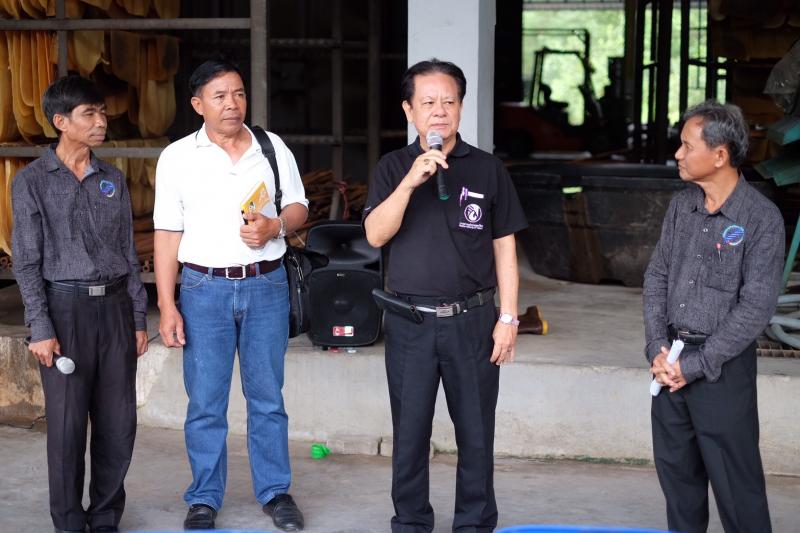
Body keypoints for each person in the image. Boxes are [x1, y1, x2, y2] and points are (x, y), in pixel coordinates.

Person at [363, 59, 528, 533]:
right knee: (410, 433)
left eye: (449, 102)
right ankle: (411, 522)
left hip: (473, 321)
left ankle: (474, 524)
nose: (440, 111)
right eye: (429, 102)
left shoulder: (488, 169)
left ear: (461, 107)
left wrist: (509, 318)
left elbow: (504, 246)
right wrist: (410, 182)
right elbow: (375, 235)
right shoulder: (392, 167)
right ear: (409, 110)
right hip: (410, 323)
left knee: (476, 433)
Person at [153, 58, 308, 532]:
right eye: (219, 96)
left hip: (266, 285)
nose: (232, 104)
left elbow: (298, 206)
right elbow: (167, 233)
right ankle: (204, 498)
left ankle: (275, 492)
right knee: (205, 401)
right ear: (197, 104)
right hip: (204, 289)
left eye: (238, 93)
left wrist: (276, 226)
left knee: (267, 397)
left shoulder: (270, 146)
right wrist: (167, 304)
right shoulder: (178, 157)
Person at [12, 75, 149, 533]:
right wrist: (40, 327)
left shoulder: (112, 179)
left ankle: (106, 517)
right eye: (89, 114)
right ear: (60, 122)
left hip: (114, 310)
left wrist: (137, 317)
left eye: (102, 112)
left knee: (118, 423)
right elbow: (26, 262)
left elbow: (128, 253)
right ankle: (69, 522)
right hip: (64, 311)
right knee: (68, 427)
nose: (100, 121)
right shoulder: (32, 182)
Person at [643, 100, 783, 533]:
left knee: (738, 493)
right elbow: (657, 276)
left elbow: (755, 308)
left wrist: (696, 365)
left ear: (719, 155)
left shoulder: (761, 219)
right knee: (680, 490)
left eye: (687, 146)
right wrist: (657, 347)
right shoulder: (681, 207)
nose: (678, 154)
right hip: (670, 362)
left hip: (721, 371)